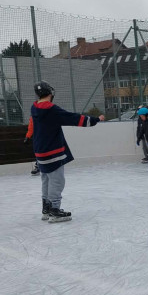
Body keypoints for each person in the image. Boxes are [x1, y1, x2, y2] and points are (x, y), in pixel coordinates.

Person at [30, 80, 104, 222]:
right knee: (57, 181)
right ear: (50, 92)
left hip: (40, 151)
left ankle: (46, 209)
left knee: (46, 180)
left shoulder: (34, 108)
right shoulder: (51, 109)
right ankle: (55, 210)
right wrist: (94, 120)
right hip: (52, 151)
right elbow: (72, 118)